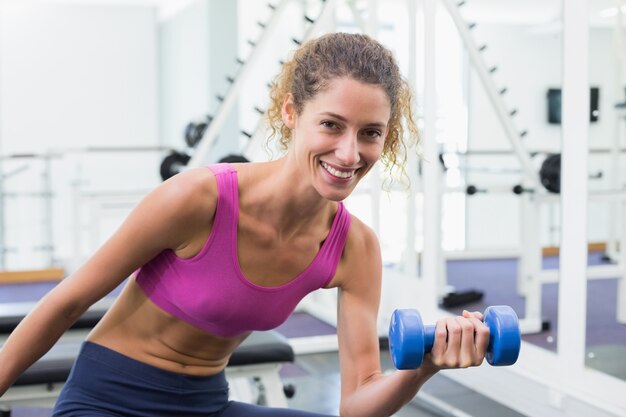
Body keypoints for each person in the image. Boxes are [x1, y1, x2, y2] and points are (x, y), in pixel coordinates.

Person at [0, 32, 489, 417]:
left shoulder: (354, 248)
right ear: (291, 112)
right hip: (109, 400)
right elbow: (66, 304)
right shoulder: (197, 198)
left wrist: (423, 368)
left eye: (370, 134)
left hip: (205, 404)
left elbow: (357, 404)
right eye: (331, 125)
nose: (349, 152)